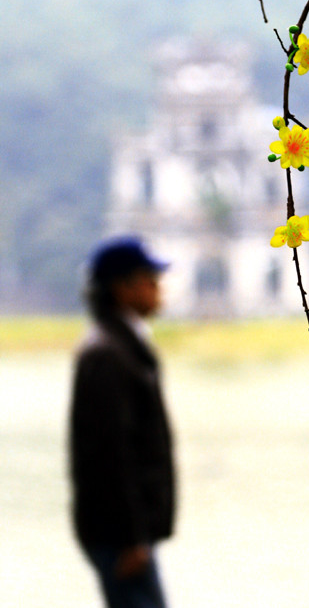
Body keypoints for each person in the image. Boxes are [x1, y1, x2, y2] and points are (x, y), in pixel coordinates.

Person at [69, 236, 176, 608]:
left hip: (126, 533)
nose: (158, 289)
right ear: (123, 287)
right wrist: (131, 539)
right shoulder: (108, 354)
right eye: (150, 279)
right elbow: (109, 455)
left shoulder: (121, 345)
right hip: (120, 536)